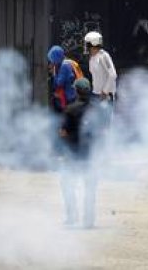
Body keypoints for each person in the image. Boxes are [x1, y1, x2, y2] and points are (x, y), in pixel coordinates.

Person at [59, 78, 102, 228]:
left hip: (73, 155)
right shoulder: (97, 110)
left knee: (67, 185)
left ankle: (72, 216)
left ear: (76, 91)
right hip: (91, 156)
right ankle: (89, 220)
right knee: (90, 188)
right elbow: (102, 133)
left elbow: (63, 133)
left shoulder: (70, 110)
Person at [48, 45, 83, 113]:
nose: (52, 62)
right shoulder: (70, 62)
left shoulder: (64, 66)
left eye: (52, 59)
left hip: (68, 97)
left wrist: (53, 74)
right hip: (74, 94)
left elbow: (59, 83)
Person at [85, 31, 117, 103]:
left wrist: (105, 91)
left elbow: (113, 75)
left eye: (87, 43)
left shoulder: (104, 56)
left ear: (93, 43)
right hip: (96, 93)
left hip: (105, 95)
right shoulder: (92, 57)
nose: (86, 46)